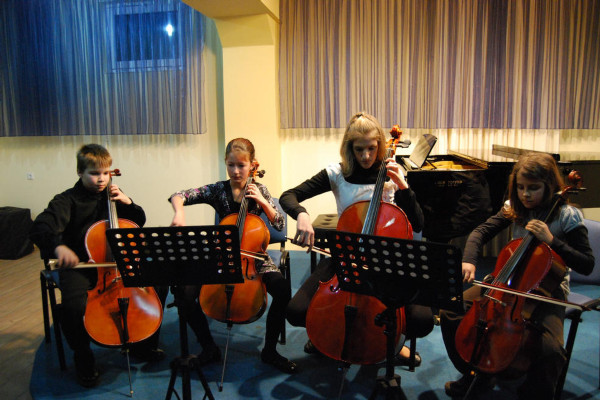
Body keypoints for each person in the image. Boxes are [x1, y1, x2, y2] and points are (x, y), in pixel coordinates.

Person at [279, 111, 433, 366]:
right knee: (296, 312)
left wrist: (403, 187)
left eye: (372, 148)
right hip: (346, 256)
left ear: (380, 144)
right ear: (349, 147)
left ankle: (391, 344)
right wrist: (302, 214)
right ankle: (327, 332)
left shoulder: (392, 171)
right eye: (359, 149)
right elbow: (289, 195)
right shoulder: (337, 173)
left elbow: (418, 223)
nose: (366, 156)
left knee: (421, 320)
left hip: (386, 259)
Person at [440, 152, 595, 399]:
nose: (525, 194)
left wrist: (552, 240)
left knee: (551, 351)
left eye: (533, 188)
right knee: (451, 310)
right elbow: (480, 232)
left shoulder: (566, 215)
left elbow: (587, 264)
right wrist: (469, 260)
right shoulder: (514, 208)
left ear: (549, 186)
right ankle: (476, 372)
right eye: (521, 188)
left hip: (547, 290)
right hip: (506, 281)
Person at [30, 144, 167, 388]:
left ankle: (143, 345)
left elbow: (137, 222)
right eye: (94, 173)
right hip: (81, 264)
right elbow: (41, 227)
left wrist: (128, 202)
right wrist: (59, 247)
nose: (101, 179)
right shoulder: (66, 200)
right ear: (79, 172)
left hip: (118, 263)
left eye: (105, 173)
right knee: (73, 306)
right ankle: (83, 355)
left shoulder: (114, 195)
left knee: (158, 282)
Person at [168, 137, 297, 374]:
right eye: (231, 165)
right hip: (222, 255)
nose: (236, 171)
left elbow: (279, 224)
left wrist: (263, 202)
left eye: (241, 165)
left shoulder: (260, 189)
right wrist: (179, 213)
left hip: (254, 257)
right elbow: (179, 195)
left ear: (252, 165)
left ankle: (269, 350)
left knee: (282, 289)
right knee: (184, 294)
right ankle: (208, 347)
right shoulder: (218, 190)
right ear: (225, 163)